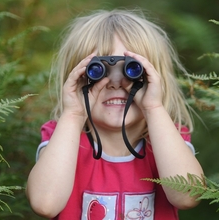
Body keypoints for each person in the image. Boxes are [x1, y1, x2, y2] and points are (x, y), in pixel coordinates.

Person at [26, 9, 204, 220]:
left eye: (132, 70)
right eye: (96, 70)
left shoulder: (168, 140)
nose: (115, 82)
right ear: (76, 79)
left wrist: (153, 109)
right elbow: (45, 203)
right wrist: (73, 114)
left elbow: (188, 196)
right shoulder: (62, 138)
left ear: (156, 79)